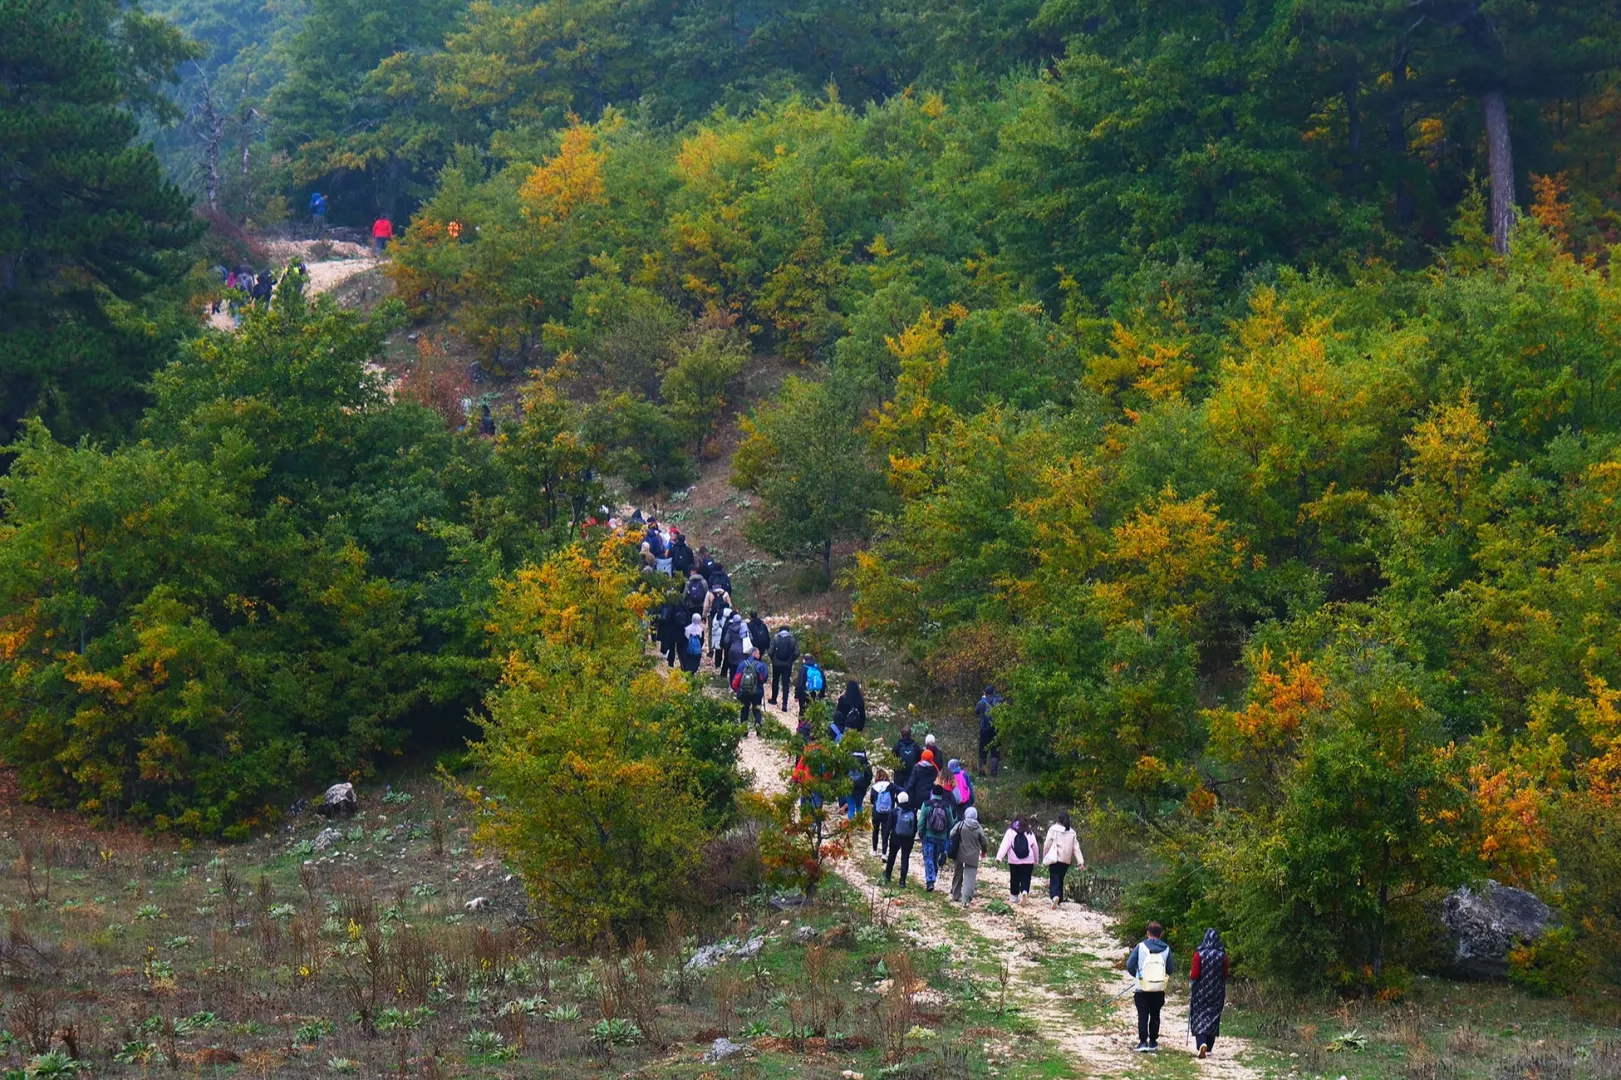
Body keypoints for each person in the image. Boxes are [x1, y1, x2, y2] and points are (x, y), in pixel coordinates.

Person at [1126, 922, 1173, 1053]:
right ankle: (1153, 1041)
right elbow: (1170, 968)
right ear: (1161, 934)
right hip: (1158, 988)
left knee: (1143, 1014)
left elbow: (1130, 964)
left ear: (1148, 933)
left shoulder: (1140, 947)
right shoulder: (1166, 949)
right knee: (1155, 1014)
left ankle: (1143, 1042)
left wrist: (1138, 976)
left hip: (1142, 987)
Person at [1188, 929, 1228, 1059]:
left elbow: (1195, 974)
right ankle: (1209, 1047)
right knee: (1213, 1016)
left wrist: (1191, 975)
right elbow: (1225, 975)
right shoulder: (1223, 956)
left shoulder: (1199, 954)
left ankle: (1201, 1043)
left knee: (1199, 1015)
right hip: (1217, 991)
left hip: (1200, 991)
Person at [947, 806, 988, 906]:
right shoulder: (979, 829)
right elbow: (984, 842)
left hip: (959, 854)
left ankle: (955, 895)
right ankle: (965, 900)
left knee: (957, 874)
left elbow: (951, 834)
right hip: (972, 856)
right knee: (970, 878)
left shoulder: (961, 824)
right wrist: (983, 852)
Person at [1042, 811, 1084, 909]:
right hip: (1066, 860)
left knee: (1054, 877)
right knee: (1060, 878)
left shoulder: (1053, 829)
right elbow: (1076, 848)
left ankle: (1055, 896)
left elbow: (1047, 843)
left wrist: (1045, 855)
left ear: (1059, 819)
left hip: (1055, 858)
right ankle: (1060, 899)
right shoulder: (1072, 832)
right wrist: (1080, 862)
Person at [919, 783, 955, 892]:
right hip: (941, 837)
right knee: (935, 858)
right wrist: (947, 836)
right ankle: (933, 875)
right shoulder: (947, 806)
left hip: (928, 836)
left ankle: (930, 881)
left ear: (932, 793)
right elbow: (951, 823)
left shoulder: (926, 804)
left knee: (928, 858)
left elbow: (921, 821)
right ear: (942, 794)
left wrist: (921, 832)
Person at [997, 816, 1041, 904]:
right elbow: (1035, 847)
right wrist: (1036, 860)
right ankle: (1024, 891)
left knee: (1014, 878)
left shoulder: (1010, 831)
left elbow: (1005, 845)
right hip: (1028, 860)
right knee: (1026, 878)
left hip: (1014, 860)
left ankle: (1014, 896)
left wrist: (999, 857)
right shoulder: (1029, 832)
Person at [732, 648, 770, 729]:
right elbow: (764, 679)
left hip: (744, 692)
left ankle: (744, 729)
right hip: (757, 692)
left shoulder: (742, 664)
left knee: (744, 710)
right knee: (757, 709)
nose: (759, 655)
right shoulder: (761, 665)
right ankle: (758, 725)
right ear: (754, 653)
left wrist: (737, 690)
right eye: (758, 653)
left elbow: (737, 678)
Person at [886, 791, 916, 887]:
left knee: (892, 856)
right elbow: (915, 827)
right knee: (905, 858)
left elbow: (888, 827)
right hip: (908, 839)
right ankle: (902, 881)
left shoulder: (894, 811)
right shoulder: (913, 812)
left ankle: (888, 874)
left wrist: (885, 838)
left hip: (895, 838)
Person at [976, 685, 1004, 776]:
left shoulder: (981, 703)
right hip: (995, 729)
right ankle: (994, 772)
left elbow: (976, 712)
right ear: (993, 692)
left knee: (983, 750)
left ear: (985, 693)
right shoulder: (997, 701)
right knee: (995, 751)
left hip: (984, 730)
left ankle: (982, 771)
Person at [768, 627, 798, 707]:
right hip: (787, 665)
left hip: (776, 664)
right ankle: (784, 704)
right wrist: (791, 660)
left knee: (775, 681)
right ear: (788, 631)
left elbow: (770, 652)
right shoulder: (792, 640)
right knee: (786, 684)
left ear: (780, 631)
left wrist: (773, 659)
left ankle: (774, 699)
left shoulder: (775, 638)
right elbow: (796, 653)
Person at [868, 768, 895, 856]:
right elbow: (893, 800)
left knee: (875, 831)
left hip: (876, 812)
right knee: (885, 833)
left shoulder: (874, 787)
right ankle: (884, 853)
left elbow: (872, 800)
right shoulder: (891, 786)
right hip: (888, 813)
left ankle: (874, 850)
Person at [659, 593, 686, 668]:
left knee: (671, 647)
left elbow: (666, 618)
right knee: (680, 649)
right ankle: (683, 665)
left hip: (671, 630)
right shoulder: (681, 603)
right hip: (680, 629)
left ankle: (671, 664)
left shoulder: (668, 605)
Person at [844, 748, 871, 821]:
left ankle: (851, 824)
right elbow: (869, 776)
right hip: (861, 787)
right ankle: (860, 823)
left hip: (849, 786)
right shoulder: (865, 763)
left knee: (851, 806)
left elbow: (843, 774)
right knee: (859, 805)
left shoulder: (848, 762)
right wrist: (865, 785)